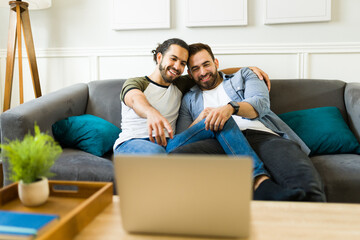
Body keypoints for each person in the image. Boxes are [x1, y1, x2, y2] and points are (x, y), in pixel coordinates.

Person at [113, 38, 305, 201]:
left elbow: (209, 71)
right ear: (159, 57)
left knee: (220, 116)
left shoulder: (180, 83)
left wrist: (249, 68)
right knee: (157, 155)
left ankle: (260, 182)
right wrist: (150, 112)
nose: (177, 67)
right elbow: (135, 99)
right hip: (135, 143)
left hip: (170, 143)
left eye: (182, 63)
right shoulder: (136, 82)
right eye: (173, 59)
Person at [173, 43, 326, 202]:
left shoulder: (244, 75)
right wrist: (200, 120)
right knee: (178, 156)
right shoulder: (189, 99)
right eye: (196, 68)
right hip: (217, 143)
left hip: (263, 137)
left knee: (307, 187)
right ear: (189, 74)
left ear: (216, 63)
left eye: (206, 64)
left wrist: (230, 108)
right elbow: (183, 137)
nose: (203, 72)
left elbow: (260, 104)